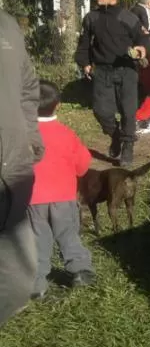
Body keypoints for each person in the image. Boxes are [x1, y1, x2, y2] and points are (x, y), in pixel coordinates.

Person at [27, 81, 95, 299]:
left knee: (37, 240)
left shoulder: (21, 136)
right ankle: (80, 270)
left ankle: (37, 285)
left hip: (32, 200)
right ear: (58, 105)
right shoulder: (66, 134)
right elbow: (83, 166)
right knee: (68, 234)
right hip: (64, 198)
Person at [75, 0, 150, 167]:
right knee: (101, 111)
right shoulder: (91, 18)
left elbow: (144, 40)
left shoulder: (128, 17)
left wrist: (142, 49)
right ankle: (117, 137)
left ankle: (128, 148)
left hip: (126, 69)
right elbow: (84, 45)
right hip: (102, 70)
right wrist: (84, 63)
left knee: (128, 111)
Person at [0, 10, 43, 326]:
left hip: (12, 168)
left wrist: (30, 134)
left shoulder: (7, 25)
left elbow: (28, 86)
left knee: (19, 280)